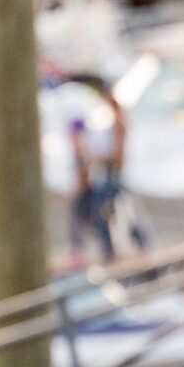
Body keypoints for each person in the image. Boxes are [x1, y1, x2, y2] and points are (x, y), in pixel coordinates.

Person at [68, 90, 127, 264]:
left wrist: (96, 157)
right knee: (94, 212)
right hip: (101, 176)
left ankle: (109, 251)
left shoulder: (117, 127)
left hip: (110, 176)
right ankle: (101, 251)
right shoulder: (102, 129)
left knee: (102, 213)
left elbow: (117, 158)